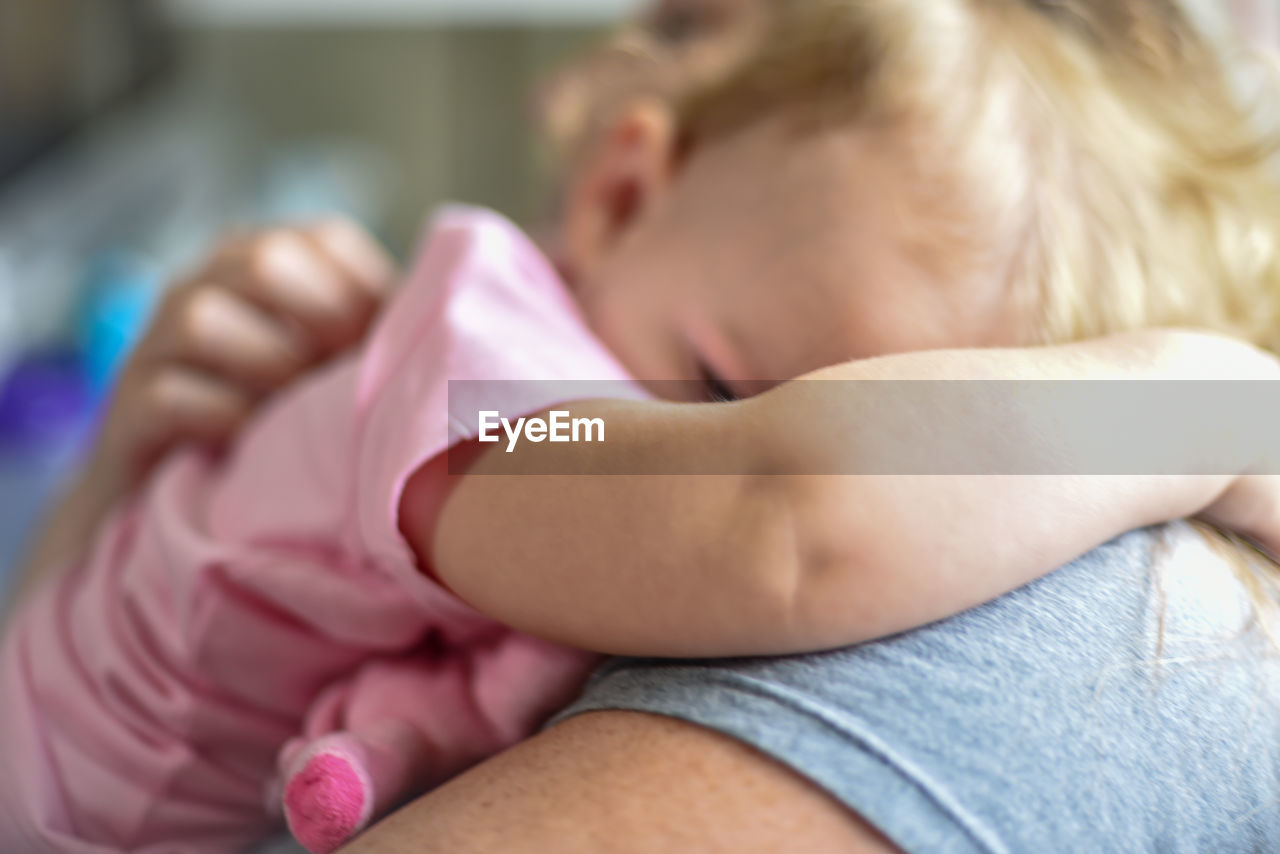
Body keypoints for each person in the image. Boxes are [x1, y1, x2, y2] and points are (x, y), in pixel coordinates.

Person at [3, 2, 1280, 854]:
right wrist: (1190, 405)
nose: (718, 446)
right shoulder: (480, 381)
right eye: (731, 396)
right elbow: (777, 518)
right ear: (620, 192)